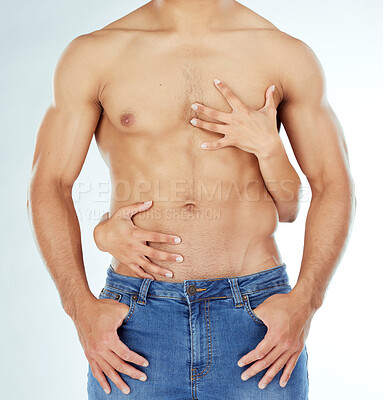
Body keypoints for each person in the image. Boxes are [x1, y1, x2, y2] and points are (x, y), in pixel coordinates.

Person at [27, 0, 356, 399]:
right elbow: (49, 183)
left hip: (258, 321)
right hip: (135, 321)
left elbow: (332, 184)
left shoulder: (282, 54)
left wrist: (306, 301)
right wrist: (80, 307)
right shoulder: (96, 54)